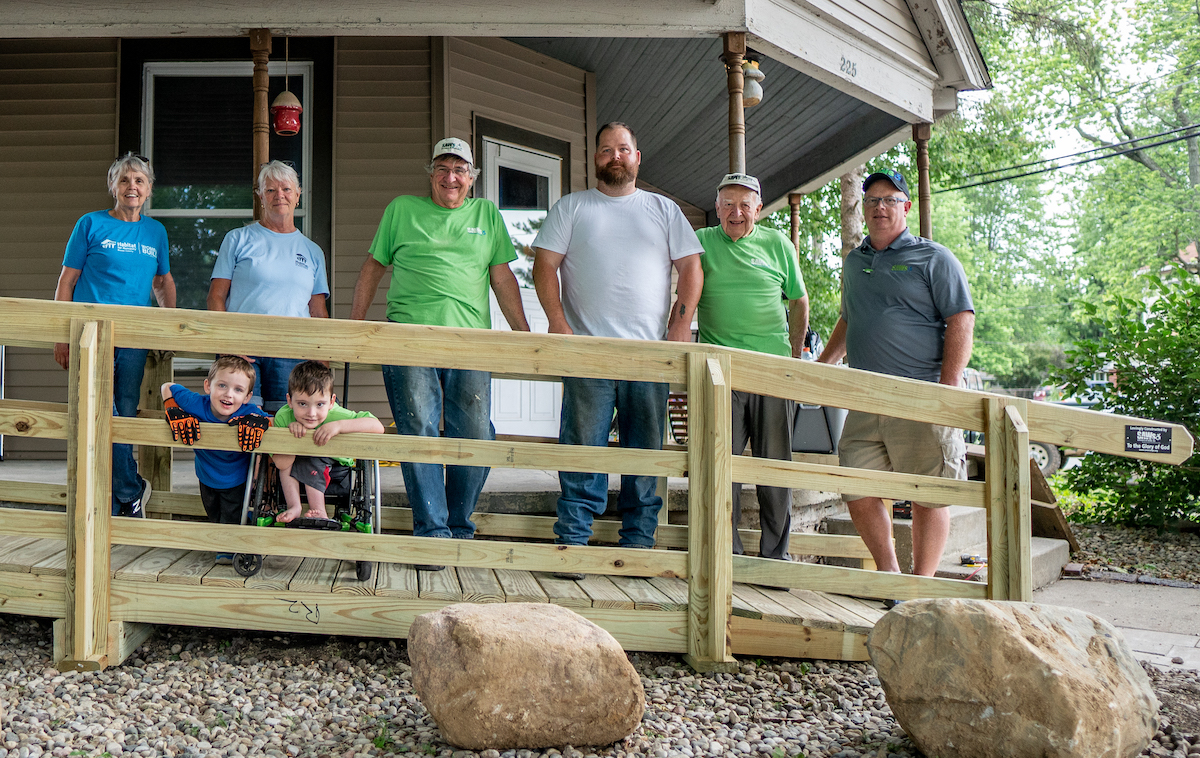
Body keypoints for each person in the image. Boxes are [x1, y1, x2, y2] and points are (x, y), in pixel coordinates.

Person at [349, 138, 529, 565]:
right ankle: (432, 532)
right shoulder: (401, 210)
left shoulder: (487, 214)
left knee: (477, 433)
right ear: (430, 173)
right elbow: (372, 268)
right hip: (409, 336)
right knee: (420, 430)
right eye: (443, 168)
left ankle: (458, 525)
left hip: (471, 342)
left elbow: (502, 279)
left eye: (460, 170)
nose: (452, 177)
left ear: (472, 178)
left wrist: (525, 334)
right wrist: (354, 327)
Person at [532, 122, 703, 569]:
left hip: (649, 355)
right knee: (582, 450)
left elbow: (690, 268)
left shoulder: (663, 210)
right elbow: (545, 266)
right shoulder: (572, 208)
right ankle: (572, 544)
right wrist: (557, 322)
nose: (615, 157)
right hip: (588, 351)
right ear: (596, 158)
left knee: (644, 455)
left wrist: (679, 327)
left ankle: (638, 547)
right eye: (606, 150)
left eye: (623, 149)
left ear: (637, 157)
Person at [816, 169, 975, 580]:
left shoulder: (934, 258)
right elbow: (849, 320)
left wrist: (948, 388)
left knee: (930, 496)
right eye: (872, 201)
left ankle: (921, 584)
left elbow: (961, 318)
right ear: (863, 209)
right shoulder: (855, 262)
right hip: (865, 398)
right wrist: (820, 369)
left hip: (921, 396)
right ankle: (889, 574)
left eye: (889, 200)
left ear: (906, 206)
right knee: (857, 485)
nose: (880, 207)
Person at [53, 152, 176, 518]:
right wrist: (62, 335)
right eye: (124, 180)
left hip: (134, 334)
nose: (132, 187)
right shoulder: (90, 224)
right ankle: (129, 488)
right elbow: (67, 281)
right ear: (112, 187)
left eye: (139, 181)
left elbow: (162, 281)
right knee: (99, 407)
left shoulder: (156, 231)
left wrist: (168, 325)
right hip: (91, 333)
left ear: (149, 189)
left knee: (123, 409)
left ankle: (119, 496)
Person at [695, 173, 809, 562]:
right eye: (728, 203)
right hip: (719, 371)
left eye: (745, 205)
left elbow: (799, 301)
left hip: (771, 370)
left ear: (758, 209)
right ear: (716, 208)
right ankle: (725, 553)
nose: (736, 212)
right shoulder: (701, 241)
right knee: (719, 465)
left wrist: (793, 357)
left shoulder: (778, 243)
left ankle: (776, 557)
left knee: (775, 470)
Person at [208, 160, 330, 412]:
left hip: (292, 349)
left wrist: (322, 362)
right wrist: (226, 343)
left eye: (286, 189)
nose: (279, 196)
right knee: (240, 422)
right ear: (260, 197)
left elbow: (318, 311)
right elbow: (216, 297)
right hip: (241, 349)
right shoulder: (238, 239)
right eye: (270, 190)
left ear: (298, 195)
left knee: (284, 423)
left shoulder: (312, 251)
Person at [160, 355, 270, 565]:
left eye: (238, 390)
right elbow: (167, 386)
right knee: (212, 511)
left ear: (248, 396)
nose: (229, 394)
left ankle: (228, 550)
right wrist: (171, 406)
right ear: (207, 386)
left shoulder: (250, 412)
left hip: (237, 478)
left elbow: (270, 421)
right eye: (222, 385)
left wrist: (261, 421)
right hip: (205, 475)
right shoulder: (195, 403)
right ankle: (224, 539)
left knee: (231, 513)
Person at [270, 361, 385, 524]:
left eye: (320, 404)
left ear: (331, 402)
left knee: (313, 459)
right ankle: (294, 506)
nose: (311, 413)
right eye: (302, 404)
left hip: (337, 467)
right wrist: (292, 438)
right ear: (290, 401)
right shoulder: (283, 416)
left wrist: (339, 426)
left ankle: (319, 512)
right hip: (296, 464)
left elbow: (377, 426)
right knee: (302, 460)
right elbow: (281, 464)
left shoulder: (336, 414)